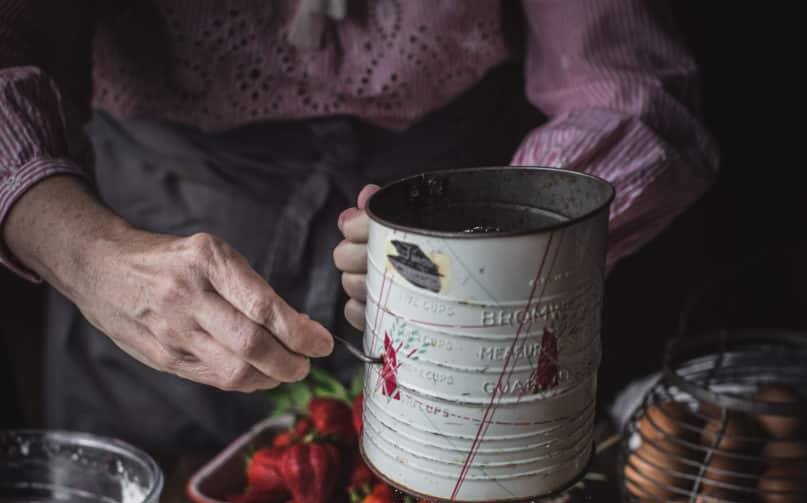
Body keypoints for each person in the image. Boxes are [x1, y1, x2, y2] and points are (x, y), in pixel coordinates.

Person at [0, 1, 717, 452]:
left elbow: (630, 89)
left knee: (434, 485)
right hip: (159, 202)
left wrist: (501, 249)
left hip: (450, 192)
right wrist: (91, 257)